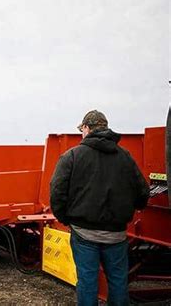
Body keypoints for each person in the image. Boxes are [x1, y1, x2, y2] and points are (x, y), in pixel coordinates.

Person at [50, 110, 150, 306]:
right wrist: (133, 208)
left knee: (87, 283)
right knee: (119, 282)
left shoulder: (72, 156)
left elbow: (57, 191)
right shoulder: (125, 157)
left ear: (87, 128)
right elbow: (142, 192)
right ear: (105, 127)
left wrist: (65, 218)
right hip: (116, 234)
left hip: (83, 233)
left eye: (82, 129)